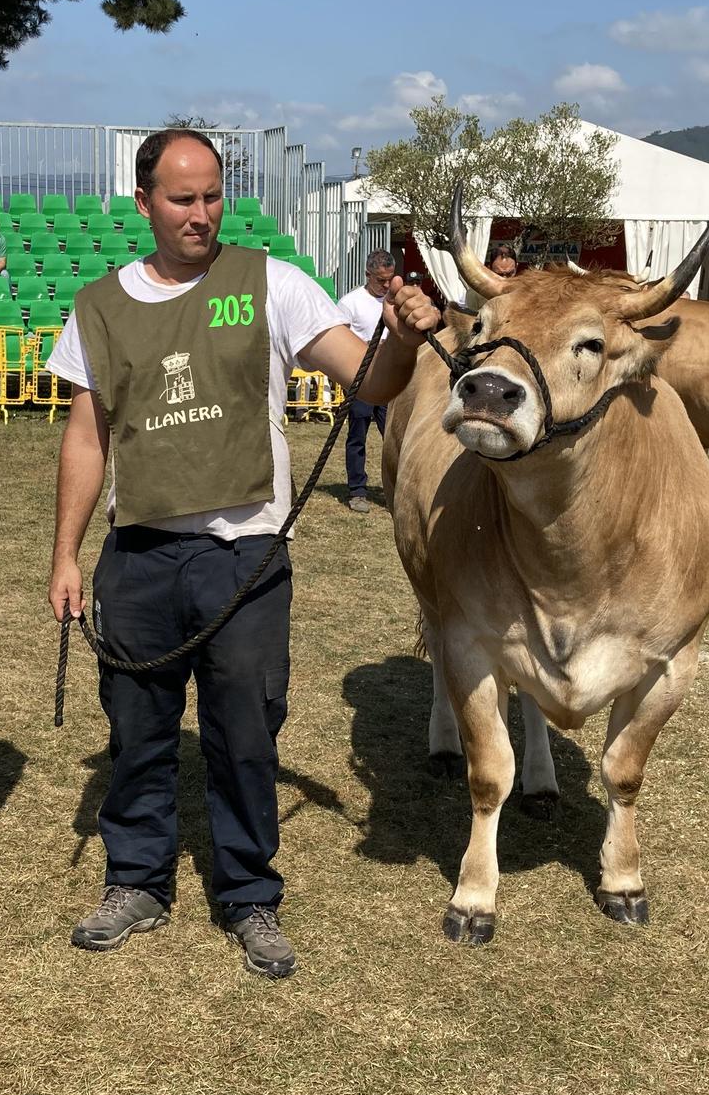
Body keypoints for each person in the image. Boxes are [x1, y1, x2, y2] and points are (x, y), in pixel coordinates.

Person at [45, 128, 436, 979]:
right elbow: (87, 434)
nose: (200, 213)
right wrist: (66, 554)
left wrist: (403, 336)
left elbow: (367, 382)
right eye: (181, 198)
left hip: (244, 556)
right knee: (139, 731)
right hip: (140, 554)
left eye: (212, 195)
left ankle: (248, 893)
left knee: (246, 733)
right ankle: (137, 881)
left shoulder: (271, 282)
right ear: (143, 201)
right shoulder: (98, 306)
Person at [332, 249, 399, 512]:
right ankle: (357, 490)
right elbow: (339, 341)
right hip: (360, 380)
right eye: (380, 280)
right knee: (357, 435)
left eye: (389, 279)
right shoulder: (350, 303)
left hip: (390, 379)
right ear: (367, 275)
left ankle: (394, 489)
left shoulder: (395, 301)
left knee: (394, 437)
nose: (385, 285)